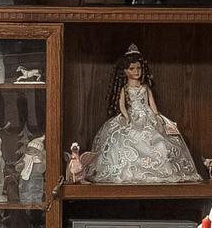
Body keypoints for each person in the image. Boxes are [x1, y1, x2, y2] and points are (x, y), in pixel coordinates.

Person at [86, 48, 203, 184]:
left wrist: (157, 116)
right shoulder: (125, 89)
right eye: (132, 68)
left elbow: (152, 104)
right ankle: (129, 172)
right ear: (124, 71)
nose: (136, 71)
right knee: (123, 141)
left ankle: (161, 170)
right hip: (131, 116)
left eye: (139, 68)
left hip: (147, 116)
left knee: (158, 140)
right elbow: (122, 105)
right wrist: (126, 116)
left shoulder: (145, 87)